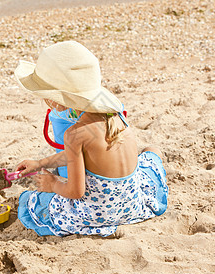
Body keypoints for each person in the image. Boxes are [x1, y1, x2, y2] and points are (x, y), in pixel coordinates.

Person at [13, 41, 168, 237]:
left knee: (30, 201)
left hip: (97, 215)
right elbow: (76, 155)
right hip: (131, 206)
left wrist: (52, 184)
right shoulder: (115, 116)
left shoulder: (75, 134)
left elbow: (76, 191)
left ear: (56, 98)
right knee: (150, 154)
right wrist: (39, 163)